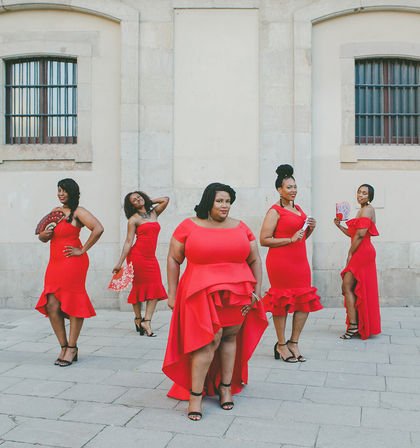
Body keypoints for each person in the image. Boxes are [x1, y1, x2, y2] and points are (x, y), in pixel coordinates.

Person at [163, 183, 268, 421]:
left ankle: (226, 388)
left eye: (228, 201)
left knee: (230, 338)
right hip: (200, 293)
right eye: (220, 200)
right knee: (206, 344)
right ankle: (196, 396)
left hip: (237, 294)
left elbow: (255, 260)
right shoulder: (189, 226)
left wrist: (256, 291)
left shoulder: (241, 227)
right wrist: (171, 293)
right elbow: (173, 258)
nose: (225, 205)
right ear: (209, 200)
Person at [36, 178, 104, 366]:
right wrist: (42, 236)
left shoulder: (79, 212)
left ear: (73, 192)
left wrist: (82, 250)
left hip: (73, 262)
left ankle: (72, 347)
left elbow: (98, 228)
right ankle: (63, 346)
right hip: (55, 263)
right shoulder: (54, 212)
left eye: (64, 190)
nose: (61, 194)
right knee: (51, 305)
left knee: (73, 302)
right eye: (58, 190)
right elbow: (44, 237)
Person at [260, 164, 322, 363]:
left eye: (295, 187)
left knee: (304, 301)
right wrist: (289, 239)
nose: (293, 190)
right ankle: (280, 344)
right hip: (280, 262)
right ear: (279, 189)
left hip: (299, 260)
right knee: (282, 302)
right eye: (289, 187)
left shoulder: (299, 209)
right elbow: (264, 239)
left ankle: (294, 342)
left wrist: (311, 228)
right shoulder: (274, 211)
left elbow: (301, 237)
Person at [113, 192, 169, 337]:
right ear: (132, 206)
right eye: (134, 200)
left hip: (151, 257)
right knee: (138, 288)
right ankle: (139, 318)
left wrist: (150, 201)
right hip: (137, 257)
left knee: (155, 287)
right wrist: (119, 263)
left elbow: (165, 199)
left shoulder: (154, 213)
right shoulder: (133, 220)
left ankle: (146, 320)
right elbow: (128, 242)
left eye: (139, 197)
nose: (138, 199)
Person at [334, 184, 381, 339]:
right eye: (359, 192)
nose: (360, 195)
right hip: (360, 250)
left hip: (363, 251)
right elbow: (353, 234)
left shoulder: (367, 209)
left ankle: (354, 326)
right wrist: (340, 226)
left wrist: (350, 253)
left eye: (364, 193)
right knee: (351, 287)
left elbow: (360, 235)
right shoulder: (360, 210)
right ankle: (355, 324)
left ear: (370, 196)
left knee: (347, 286)